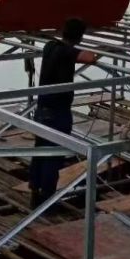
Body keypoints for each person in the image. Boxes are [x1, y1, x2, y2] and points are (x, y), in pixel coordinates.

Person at [29, 17, 98, 207]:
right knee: (54, 155)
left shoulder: (50, 46)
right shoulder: (67, 51)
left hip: (42, 109)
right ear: (80, 37)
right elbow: (89, 57)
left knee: (39, 151)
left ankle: (34, 192)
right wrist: (96, 52)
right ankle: (47, 200)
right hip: (57, 112)